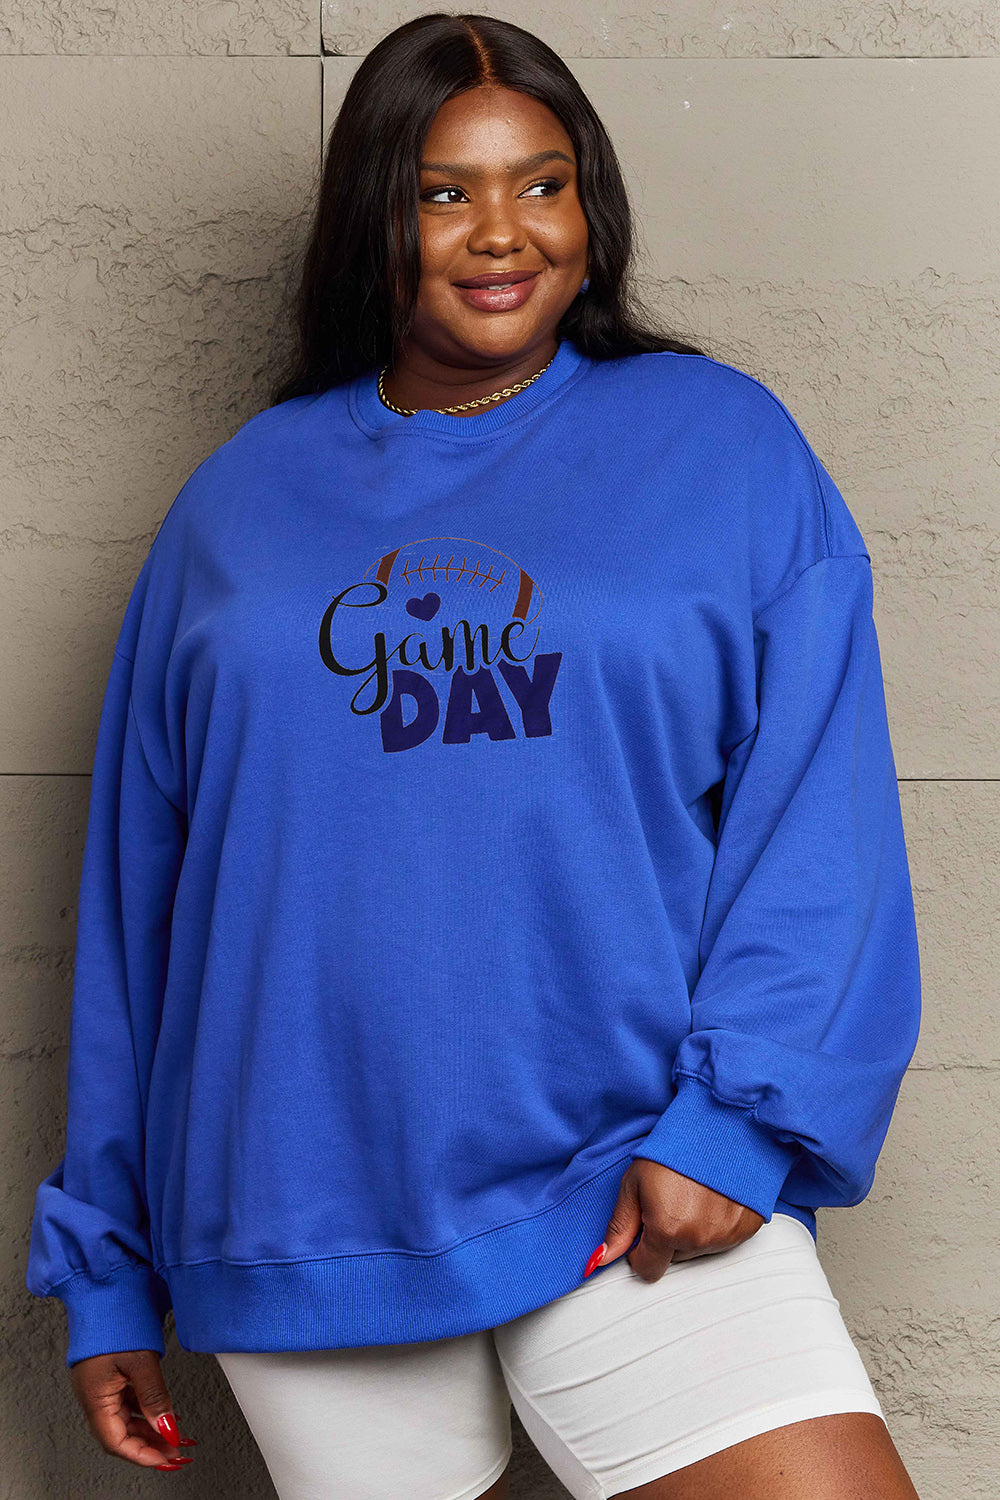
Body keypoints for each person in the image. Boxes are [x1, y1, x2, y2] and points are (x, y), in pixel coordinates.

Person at [25, 12, 923, 1498]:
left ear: (591, 207)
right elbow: (142, 910)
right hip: (296, 1200)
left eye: (542, 183)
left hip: (627, 1170)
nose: (502, 231)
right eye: (443, 191)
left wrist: (735, 1125)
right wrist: (107, 1263)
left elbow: (816, 820)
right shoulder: (237, 506)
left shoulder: (721, 446)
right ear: (373, 217)